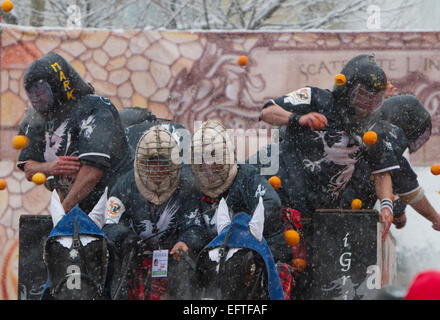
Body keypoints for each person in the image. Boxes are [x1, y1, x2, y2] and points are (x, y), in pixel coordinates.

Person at [257, 54, 401, 299]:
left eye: (375, 98)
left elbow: (382, 172)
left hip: (326, 217)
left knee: (323, 283)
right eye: (363, 95)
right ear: (346, 88)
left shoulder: (375, 127)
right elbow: (267, 111)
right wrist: (298, 119)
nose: (368, 103)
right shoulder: (316, 98)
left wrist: (387, 205)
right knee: (281, 277)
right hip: (286, 209)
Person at [17, 52, 133, 213]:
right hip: (75, 209)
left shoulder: (96, 108)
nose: (35, 98)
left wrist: (63, 212)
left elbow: (92, 172)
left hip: (115, 207)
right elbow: (29, 169)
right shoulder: (37, 118)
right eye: (31, 92)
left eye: (41, 91)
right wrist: (50, 167)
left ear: (57, 87)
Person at [188, 120, 293, 298]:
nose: (209, 166)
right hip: (215, 261)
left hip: (259, 254)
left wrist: (239, 234)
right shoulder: (193, 189)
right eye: (203, 160)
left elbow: (271, 203)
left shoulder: (247, 178)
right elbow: (192, 226)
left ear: (227, 155)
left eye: (214, 157)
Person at [102, 125, 203, 300]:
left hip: (173, 257)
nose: (157, 168)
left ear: (174, 163)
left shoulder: (187, 185)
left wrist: (185, 242)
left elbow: (194, 225)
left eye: (163, 162)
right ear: (141, 163)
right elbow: (109, 224)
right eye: (151, 162)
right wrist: (124, 237)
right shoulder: (124, 184)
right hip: (132, 255)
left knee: (187, 270)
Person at [339, 94, 440, 231]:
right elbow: (408, 190)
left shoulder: (365, 124)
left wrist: (396, 209)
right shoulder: (388, 136)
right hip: (343, 213)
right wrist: (436, 218)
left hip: (321, 201)